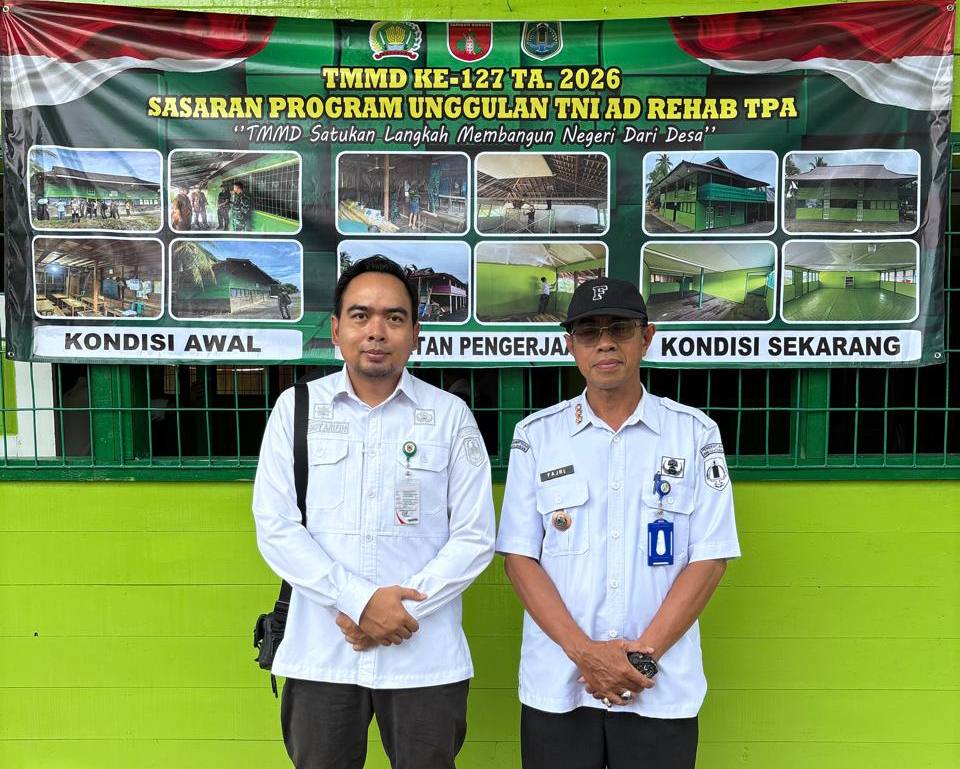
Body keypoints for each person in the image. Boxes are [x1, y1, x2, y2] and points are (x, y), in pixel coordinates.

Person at [252, 255, 496, 769]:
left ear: (416, 333)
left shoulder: (450, 417)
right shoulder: (296, 410)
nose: (377, 331)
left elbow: (474, 536)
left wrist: (399, 614)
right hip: (323, 655)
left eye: (394, 317)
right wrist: (360, 602)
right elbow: (276, 528)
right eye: (360, 315)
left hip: (422, 658)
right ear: (336, 329)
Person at [496, 277, 740, 769]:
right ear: (571, 346)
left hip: (659, 686)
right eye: (589, 332)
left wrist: (640, 658)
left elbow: (710, 558)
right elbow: (519, 559)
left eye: (620, 329)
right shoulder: (536, 437)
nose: (604, 343)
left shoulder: (694, 434)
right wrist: (586, 655)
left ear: (645, 338)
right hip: (560, 686)